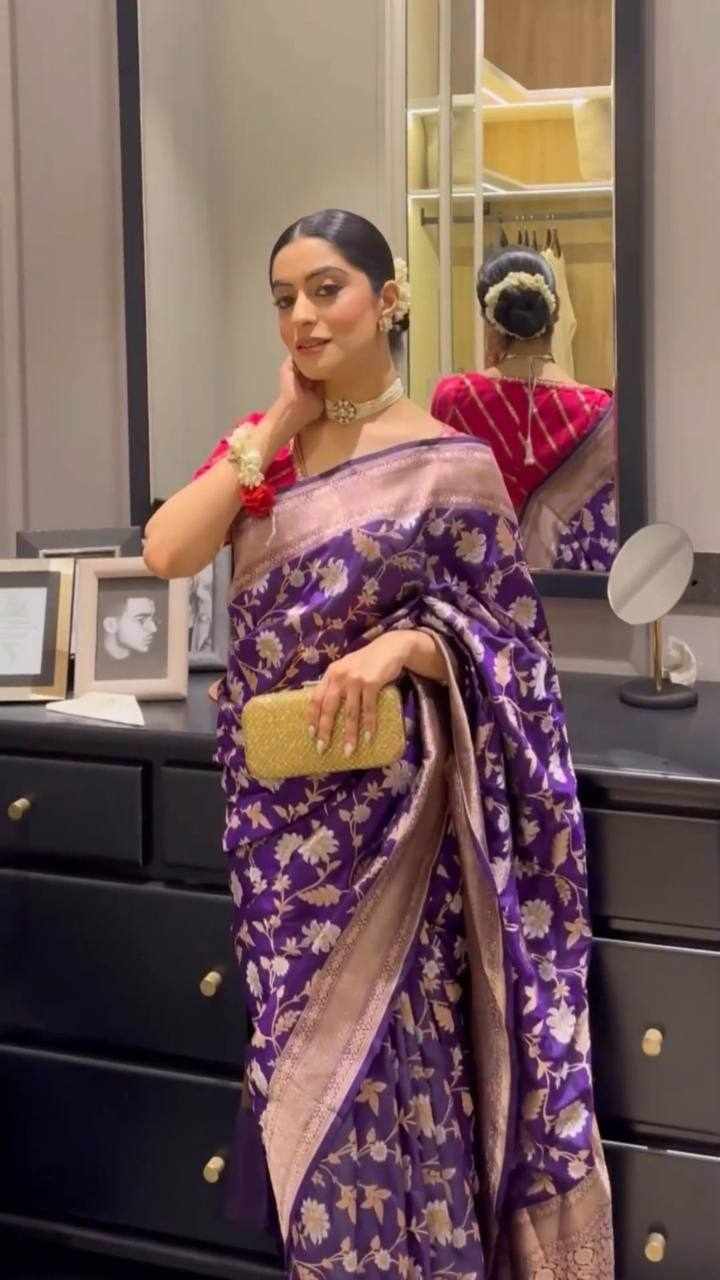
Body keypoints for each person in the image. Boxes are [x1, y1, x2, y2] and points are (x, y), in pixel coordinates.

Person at [143, 210, 612, 1278]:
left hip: (400, 825)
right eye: (285, 299)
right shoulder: (263, 451)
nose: (304, 318)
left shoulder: (452, 464)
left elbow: (513, 645)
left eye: (327, 289)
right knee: (305, 1077)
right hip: (279, 831)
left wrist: (407, 644)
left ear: (388, 298)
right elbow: (168, 549)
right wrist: (278, 419)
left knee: (407, 1069)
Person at [431, 248, 618, 572]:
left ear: (490, 319)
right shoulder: (599, 411)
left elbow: (439, 509)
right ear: (555, 314)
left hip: (479, 584)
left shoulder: (455, 398)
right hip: (572, 591)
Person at [95, 592, 160, 679]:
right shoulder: (92, 666)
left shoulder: (153, 667)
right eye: (141, 620)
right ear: (111, 625)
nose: (154, 629)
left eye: (153, 620)